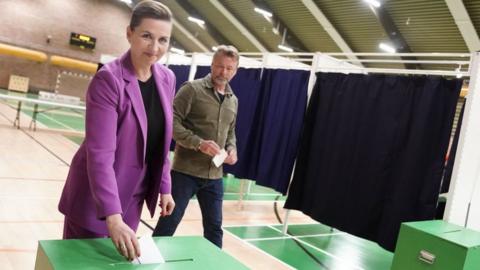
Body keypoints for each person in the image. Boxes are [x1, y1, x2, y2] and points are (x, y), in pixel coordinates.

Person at [58, 0, 175, 261]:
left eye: (163, 40)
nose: (155, 48)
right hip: (95, 201)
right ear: (129, 33)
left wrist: (165, 187)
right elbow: (100, 154)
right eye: (147, 36)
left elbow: (161, 140)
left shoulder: (167, 79)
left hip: (132, 200)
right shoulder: (108, 80)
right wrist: (112, 216)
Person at [153, 45, 239, 248]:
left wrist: (232, 148)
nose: (223, 72)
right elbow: (171, 123)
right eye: (219, 66)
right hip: (185, 173)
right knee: (169, 223)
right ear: (212, 65)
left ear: (235, 71)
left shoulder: (233, 100)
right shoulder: (192, 89)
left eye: (229, 68)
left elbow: (231, 132)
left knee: (215, 228)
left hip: (214, 177)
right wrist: (198, 144)